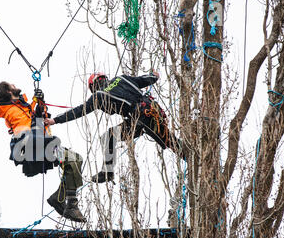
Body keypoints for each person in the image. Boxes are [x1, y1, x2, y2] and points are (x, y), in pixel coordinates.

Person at [44, 72, 183, 183]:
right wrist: (154, 75)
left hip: (139, 119)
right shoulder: (122, 78)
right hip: (151, 112)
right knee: (172, 142)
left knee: (109, 137)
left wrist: (55, 120)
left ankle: (107, 173)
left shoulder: (98, 96)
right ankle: (191, 155)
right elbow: (145, 79)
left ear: (93, 87)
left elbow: (79, 111)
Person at [0, 81, 86, 222]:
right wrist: (37, 109)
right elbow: (30, 128)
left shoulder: (21, 107)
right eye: (11, 85)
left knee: (75, 159)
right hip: (35, 148)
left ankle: (59, 198)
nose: (14, 84)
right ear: (8, 92)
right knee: (72, 159)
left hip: (41, 146)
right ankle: (71, 205)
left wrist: (40, 104)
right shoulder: (11, 111)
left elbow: (34, 119)